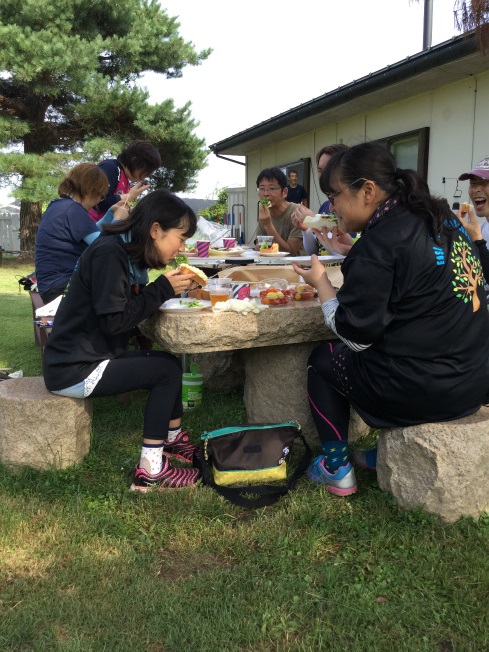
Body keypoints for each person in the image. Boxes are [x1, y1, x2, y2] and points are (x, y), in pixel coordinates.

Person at [291, 142, 489, 496]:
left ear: (367, 190)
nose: (331, 206)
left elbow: (356, 336)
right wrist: (355, 251)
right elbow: (416, 273)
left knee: (324, 359)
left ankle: (337, 468)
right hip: (472, 381)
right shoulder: (437, 215)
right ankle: (374, 452)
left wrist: (321, 282)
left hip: (426, 389)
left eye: (335, 195)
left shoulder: (382, 240)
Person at [43, 190, 202, 491]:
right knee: (166, 372)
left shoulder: (121, 250)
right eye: (180, 238)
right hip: (73, 368)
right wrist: (162, 289)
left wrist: (159, 289)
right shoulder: (109, 254)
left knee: (168, 363)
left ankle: (172, 439)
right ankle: (151, 470)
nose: (181, 248)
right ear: (156, 230)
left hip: (88, 356)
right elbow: (115, 322)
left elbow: (122, 311)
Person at [35, 163, 129, 304]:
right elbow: (106, 247)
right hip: (62, 288)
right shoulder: (74, 210)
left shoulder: (58, 206)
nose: (98, 201)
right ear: (89, 191)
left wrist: (110, 214)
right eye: (100, 196)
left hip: (51, 286)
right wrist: (117, 221)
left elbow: (91, 232)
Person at [290, 144, 353, 256]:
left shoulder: (355, 209)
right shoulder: (326, 206)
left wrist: (315, 222)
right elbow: (315, 251)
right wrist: (307, 229)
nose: (323, 176)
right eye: (320, 170)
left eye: (328, 169)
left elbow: (348, 254)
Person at [88, 140, 161, 222]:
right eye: (146, 171)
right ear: (134, 161)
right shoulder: (110, 167)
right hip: (86, 225)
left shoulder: (126, 180)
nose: (146, 176)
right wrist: (128, 197)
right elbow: (97, 203)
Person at [256, 167, 305, 255]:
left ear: (284, 192)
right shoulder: (265, 213)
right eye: (262, 189)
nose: (266, 193)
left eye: (272, 188)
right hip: (271, 265)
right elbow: (259, 248)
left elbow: (290, 252)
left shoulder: (296, 212)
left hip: (294, 267)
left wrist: (268, 225)